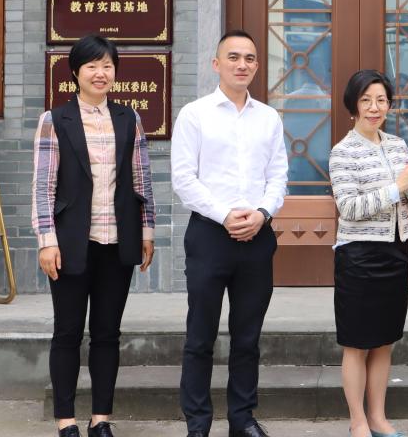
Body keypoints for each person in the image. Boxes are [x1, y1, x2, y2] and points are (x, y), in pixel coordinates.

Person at [31, 35, 156, 437]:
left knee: (107, 334)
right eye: (92, 66)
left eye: (107, 66)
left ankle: (101, 418)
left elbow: (142, 179)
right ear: (75, 72)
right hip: (70, 244)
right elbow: (43, 186)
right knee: (67, 332)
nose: (101, 73)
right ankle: (65, 420)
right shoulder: (55, 120)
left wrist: (147, 230)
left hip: (117, 241)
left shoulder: (129, 118)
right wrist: (46, 240)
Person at [171, 31, 287, 437]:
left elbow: (278, 176)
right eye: (233, 57)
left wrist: (263, 213)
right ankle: (198, 424)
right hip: (209, 236)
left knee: (247, 337)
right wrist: (224, 216)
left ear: (257, 65)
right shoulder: (195, 115)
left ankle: (242, 418)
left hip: (257, 237)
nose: (242, 64)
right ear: (216, 64)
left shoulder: (268, 118)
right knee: (200, 336)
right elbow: (184, 179)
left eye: (250, 58)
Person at [329, 69, 408, 437]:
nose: (375, 108)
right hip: (358, 256)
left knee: (385, 340)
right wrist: (397, 186)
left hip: (397, 251)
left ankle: (378, 418)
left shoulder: (398, 145)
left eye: (381, 100)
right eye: (367, 100)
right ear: (354, 105)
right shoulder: (342, 152)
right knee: (357, 343)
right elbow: (349, 208)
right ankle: (357, 422)